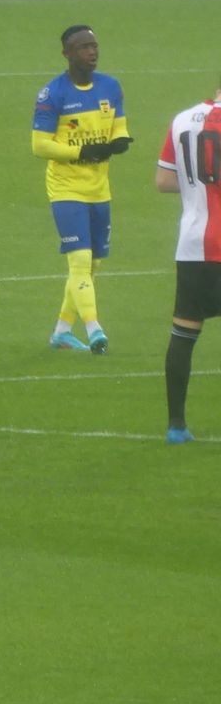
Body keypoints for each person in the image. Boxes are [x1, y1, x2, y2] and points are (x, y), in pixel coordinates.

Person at [31, 25, 131, 353]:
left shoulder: (110, 87)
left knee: (93, 264)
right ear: (67, 54)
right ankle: (94, 329)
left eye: (94, 46)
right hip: (65, 188)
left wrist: (119, 142)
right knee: (80, 260)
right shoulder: (53, 94)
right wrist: (82, 152)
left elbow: (119, 128)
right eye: (84, 47)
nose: (92, 52)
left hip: (99, 188)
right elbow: (40, 145)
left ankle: (62, 331)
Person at [155, 83, 221, 443]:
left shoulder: (182, 120)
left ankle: (176, 426)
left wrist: (199, 185)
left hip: (194, 246)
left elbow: (164, 180)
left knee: (184, 332)